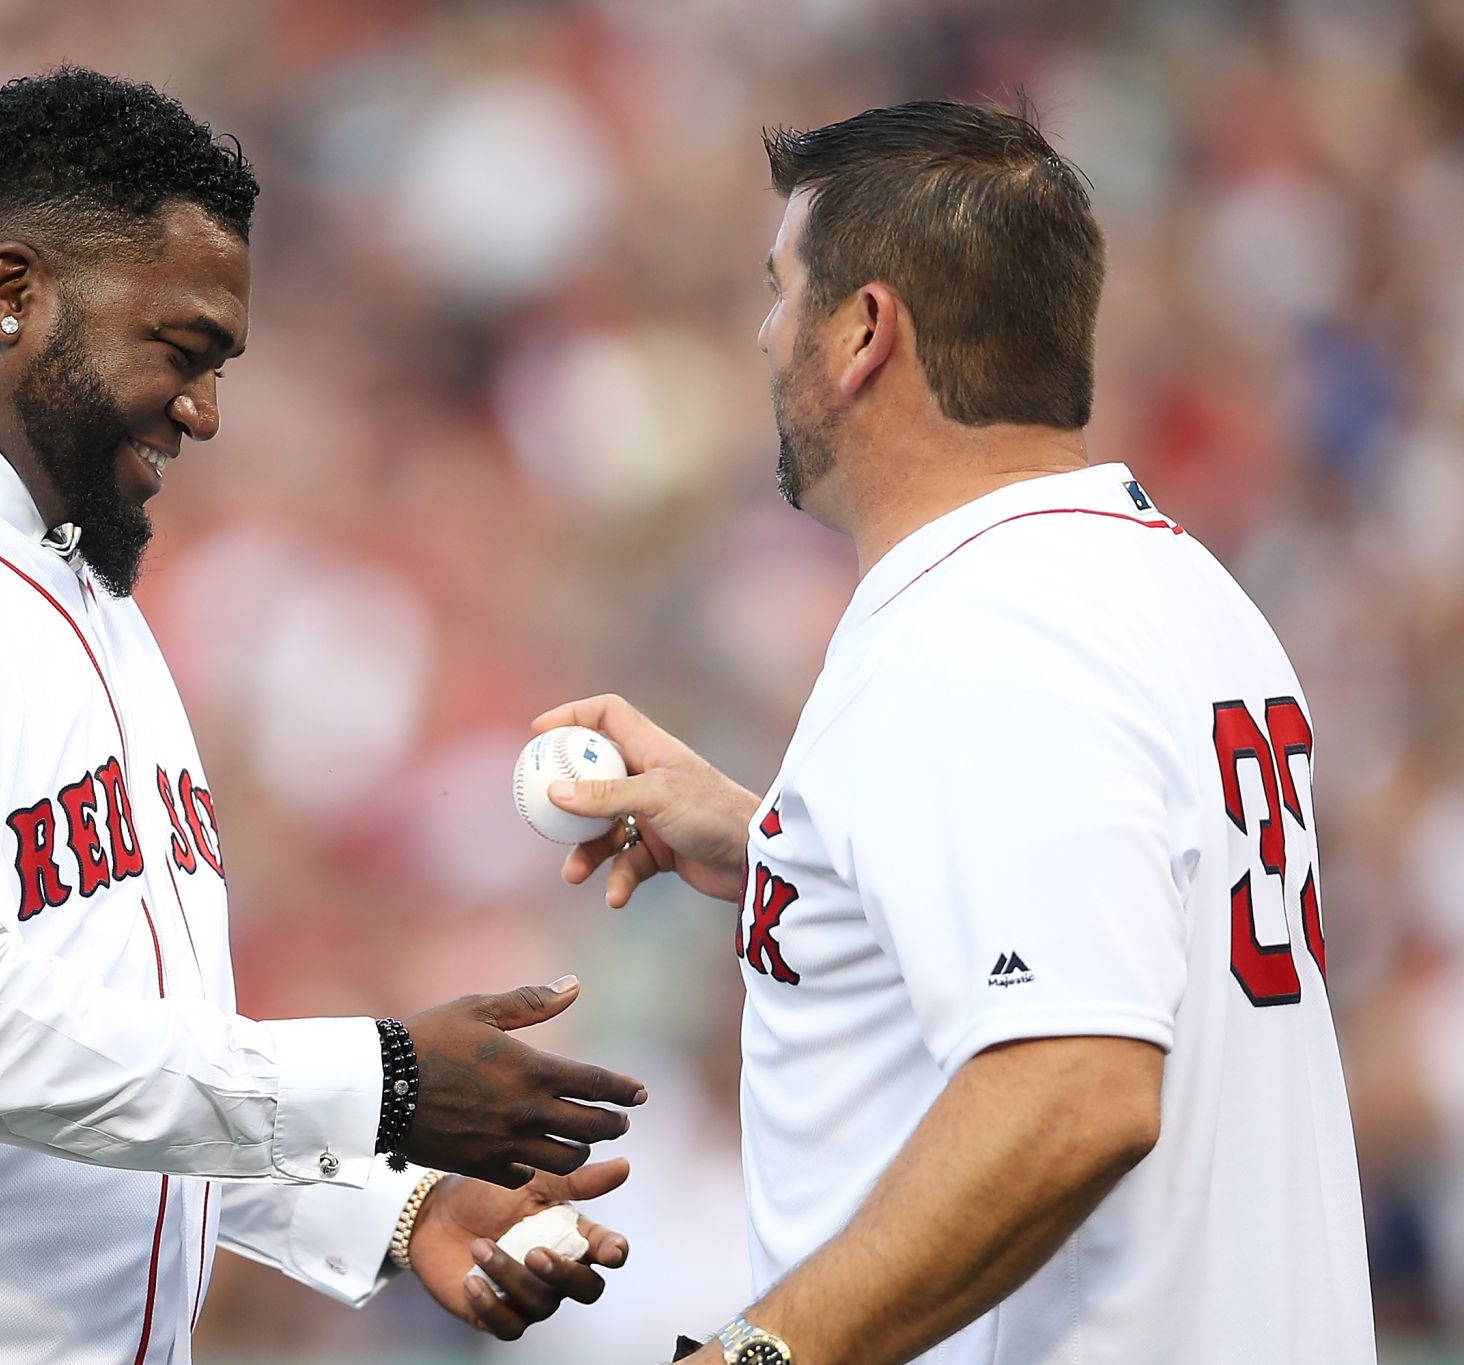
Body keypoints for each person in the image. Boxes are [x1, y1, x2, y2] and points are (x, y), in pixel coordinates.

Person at [0, 68, 645, 1364]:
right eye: (183, 348)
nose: (204, 409)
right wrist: (383, 1084)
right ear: (13, 293)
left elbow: (98, 1058)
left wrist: (383, 1198)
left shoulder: (76, 582)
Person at [539, 99, 1376, 1364]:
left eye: (780, 292)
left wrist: (760, 1355)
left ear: (864, 330)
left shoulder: (986, 628)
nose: (766, 336)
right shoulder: (1169, 585)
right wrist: (781, 853)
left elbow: (1074, 1088)